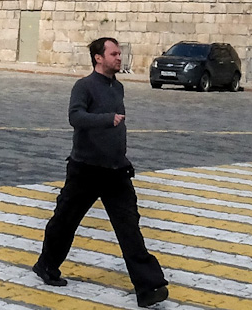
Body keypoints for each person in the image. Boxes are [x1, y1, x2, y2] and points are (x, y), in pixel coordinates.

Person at [32, 36, 169, 307]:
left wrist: (122, 156)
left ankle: (149, 287)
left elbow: (119, 130)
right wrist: (108, 120)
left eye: (120, 54)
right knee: (65, 222)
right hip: (85, 169)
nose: (119, 58)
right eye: (114, 54)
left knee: (129, 228)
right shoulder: (83, 86)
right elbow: (76, 117)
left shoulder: (117, 88)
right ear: (98, 58)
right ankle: (46, 265)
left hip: (116, 171)